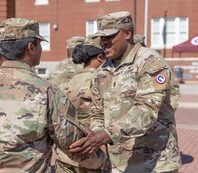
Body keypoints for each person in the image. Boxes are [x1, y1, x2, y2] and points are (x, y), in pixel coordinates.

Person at [0, 17, 105, 172]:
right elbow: (73, 145)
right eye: (40, 44)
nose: (40, 49)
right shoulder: (47, 91)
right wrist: (102, 161)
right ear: (30, 47)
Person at [70, 11, 182, 173]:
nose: (104, 42)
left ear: (127, 33)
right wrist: (94, 133)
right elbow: (97, 112)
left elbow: (146, 110)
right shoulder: (103, 71)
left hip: (154, 163)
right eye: (102, 38)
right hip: (118, 164)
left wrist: (106, 134)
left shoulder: (150, 63)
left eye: (110, 37)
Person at [55, 37, 108, 173]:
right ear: (101, 57)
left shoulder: (73, 80)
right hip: (91, 152)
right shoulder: (99, 80)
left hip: (68, 151)